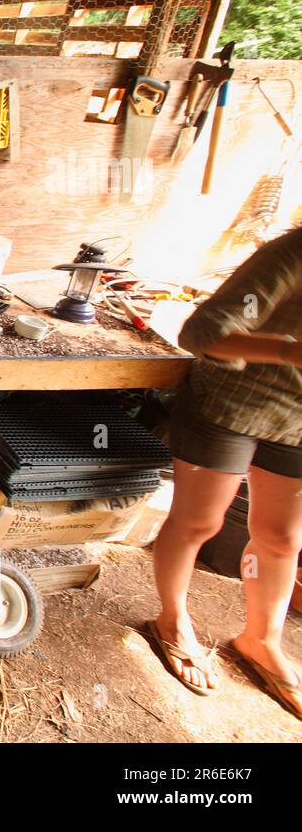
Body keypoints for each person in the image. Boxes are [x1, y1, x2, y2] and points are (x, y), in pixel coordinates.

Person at [149, 225, 302, 719]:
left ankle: (261, 640)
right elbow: (205, 333)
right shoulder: (293, 257)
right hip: (232, 403)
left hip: (297, 419)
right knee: (200, 523)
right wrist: (287, 350)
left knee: (280, 539)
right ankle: (171, 620)